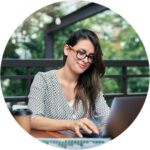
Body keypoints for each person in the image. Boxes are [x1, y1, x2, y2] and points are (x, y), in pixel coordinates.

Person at [28, 29, 110, 138]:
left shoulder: (91, 85)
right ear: (67, 49)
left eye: (90, 56)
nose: (86, 60)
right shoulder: (43, 80)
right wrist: (70, 124)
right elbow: (33, 119)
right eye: (81, 53)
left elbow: (107, 120)